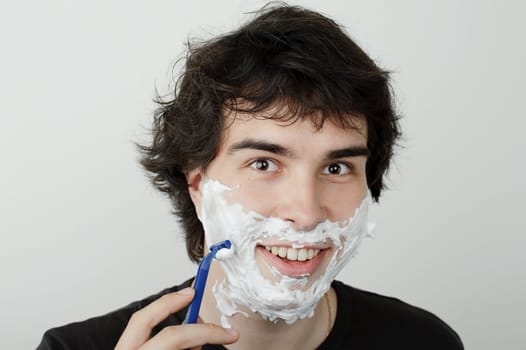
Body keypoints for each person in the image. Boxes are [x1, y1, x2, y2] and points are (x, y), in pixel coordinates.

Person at [38, 4, 463, 349]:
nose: (306, 212)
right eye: (264, 163)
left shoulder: (424, 342)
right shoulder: (74, 348)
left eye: (336, 168)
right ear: (197, 183)